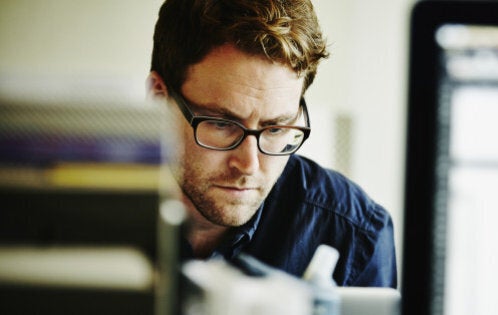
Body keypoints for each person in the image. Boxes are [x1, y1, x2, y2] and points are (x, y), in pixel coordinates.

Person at [147, 0, 397, 288]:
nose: (249, 165)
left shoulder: (354, 235)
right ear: (158, 98)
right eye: (222, 124)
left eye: (276, 128)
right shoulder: (88, 215)